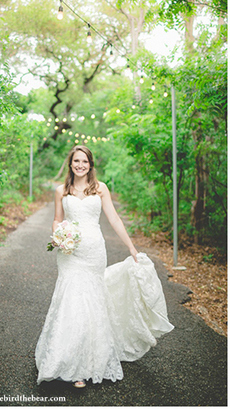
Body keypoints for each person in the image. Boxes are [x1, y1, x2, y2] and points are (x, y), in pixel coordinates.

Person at [35, 145, 174, 388]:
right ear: (70, 164)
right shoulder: (61, 190)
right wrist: (59, 234)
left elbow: (114, 218)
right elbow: (57, 219)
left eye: (85, 161)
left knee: (91, 301)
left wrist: (131, 247)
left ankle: (89, 360)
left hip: (94, 252)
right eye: (76, 161)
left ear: (90, 165)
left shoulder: (100, 189)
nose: (80, 165)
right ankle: (72, 365)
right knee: (71, 299)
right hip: (69, 252)